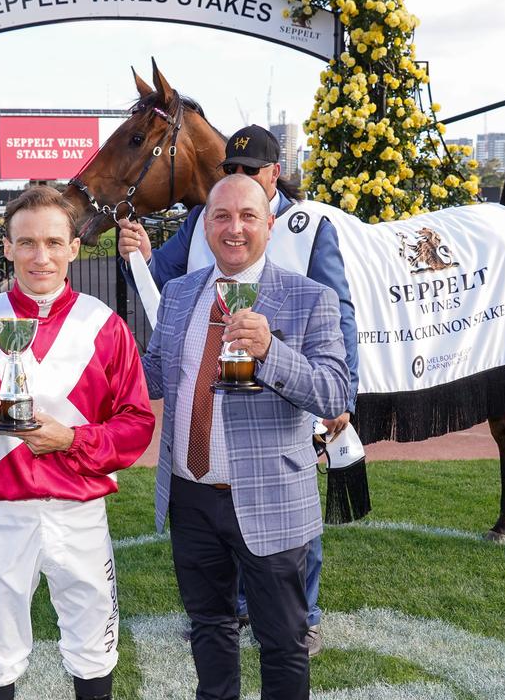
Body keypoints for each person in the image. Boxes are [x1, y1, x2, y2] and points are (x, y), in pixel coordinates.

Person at [119, 124, 359, 655]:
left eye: (248, 214)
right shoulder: (183, 294)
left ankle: (308, 616)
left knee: (284, 647)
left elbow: (333, 386)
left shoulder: (309, 284)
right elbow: (152, 375)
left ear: (268, 222)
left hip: (271, 489)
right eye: (221, 215)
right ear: (206, 224)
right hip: (192, 496)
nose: (233, 228)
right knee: (210, 636)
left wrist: (272, 351)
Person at [0, 185, 156, 700]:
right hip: (4, 514)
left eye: (53, 242)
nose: (41, 256)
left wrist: (72, 439)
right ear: (7, 247)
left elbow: (136, 423)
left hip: (80, 511)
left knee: (93, 645)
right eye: (27, 243)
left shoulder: (104, 326)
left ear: (75, 247)